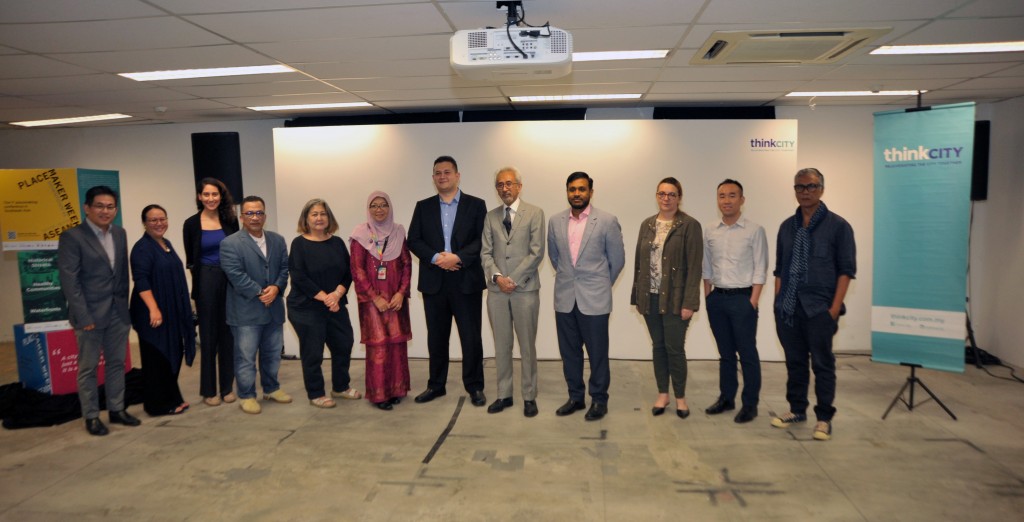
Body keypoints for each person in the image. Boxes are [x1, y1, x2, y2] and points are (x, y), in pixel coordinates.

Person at [772, 168, 856, 441]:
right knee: (795, 363)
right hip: (789, 309)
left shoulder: (839, 226)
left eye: (811, 186)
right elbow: (780, 270)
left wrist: (833, 310)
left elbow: (846, 271)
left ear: (822, 189)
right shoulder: (787, 226)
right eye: (800, 187)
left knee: (822, 364)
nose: (805, 192)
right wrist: (778, 302)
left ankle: (823, 418)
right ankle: (797, 409)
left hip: (820, 309)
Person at [57, 185, 140, 436]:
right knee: (88, 367)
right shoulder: (72, 237)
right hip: (89, 316)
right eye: (100, 206)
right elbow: (70, 281)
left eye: (110, 206)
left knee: (117, 364)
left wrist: (126, 311)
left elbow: (122, 276)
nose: (106, 211)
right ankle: (91, 416)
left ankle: (116, 409)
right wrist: (83, 316)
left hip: (117, 313)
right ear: (87, 208)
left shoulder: (119, 233)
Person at [407, 156, 488, 407]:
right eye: (438, 173)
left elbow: (482, 239)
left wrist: (458, 258)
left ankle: (475, 386)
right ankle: (436, 385)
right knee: (437, 337)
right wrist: (435, 258)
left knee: (471, 337)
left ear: (457, 175)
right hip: (435, 282)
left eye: (447, 172)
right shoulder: (423, 206)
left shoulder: (476, 205)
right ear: (433, 178)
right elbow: (414, 239)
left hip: (466, 281)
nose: (442, 176)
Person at [548, 172, 625, 421]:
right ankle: (575, 397)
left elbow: (617, 261)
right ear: (567, 192)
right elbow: (555, 257)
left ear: (591, 192)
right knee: (569, 352)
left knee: (597, 353)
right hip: (565, 297)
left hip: (595, 299)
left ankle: (599, 400)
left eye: (582, 189)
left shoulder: (606, 220)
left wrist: (601, 284)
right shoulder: (555, 221)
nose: (577, 194)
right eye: (572, 189)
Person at [630, 177, 702, 420]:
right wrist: (637, 296)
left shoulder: (689, 226)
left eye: (672, 194)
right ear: (657, 196)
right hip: (649, 297)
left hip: (675, 299)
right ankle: (663, 394)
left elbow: (695, 267)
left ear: (679, 197)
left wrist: (689, 303)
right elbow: (639, 264)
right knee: (658, 347)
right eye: (662, 193)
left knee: (675, 348)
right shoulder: (647, 225)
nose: (666, 198)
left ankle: (680, 397)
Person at [481, 167, 545, 417]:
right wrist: (498, 278)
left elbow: (537, 251)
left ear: (519, 186)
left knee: (527, 346)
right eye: (500, 185)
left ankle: (529, 396)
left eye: (509, 183)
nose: (505, 188)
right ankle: (504, 394)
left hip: (525, 290)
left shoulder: (535, 213)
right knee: (502, 345)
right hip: (497, 292)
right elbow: (485, 253)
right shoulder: (490, 217)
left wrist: (513, 280)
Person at [702, 179, 768, 424]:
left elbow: (761, 268)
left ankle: (750, 404)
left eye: (732, 195)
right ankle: (726, 398)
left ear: (742, 200)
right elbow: (706, 266)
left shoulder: (754, 230)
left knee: (747, 354)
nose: (726, 200)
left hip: (743, 300)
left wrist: (752, 301)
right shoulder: (710, 230)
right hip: (717, 299)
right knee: (726, 354)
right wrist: (707, 296)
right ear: (717, 199)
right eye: (722, 196)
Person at [286, 199, 360, 409]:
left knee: (343, 343)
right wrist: (326, 297)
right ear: (306, 219)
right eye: (314, 214)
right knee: (313, 352)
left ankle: (340, 387)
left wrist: (336, 294)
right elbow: (298, 276)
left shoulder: (336, 243)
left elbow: (348, 272)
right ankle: (316, 393)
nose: (319, 218)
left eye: (323, 214)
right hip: (305, 307)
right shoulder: (299, 244)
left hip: (334, 304)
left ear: (329, 218)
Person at [220, 195, 291, 414]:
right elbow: (235, 275)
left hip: (274, 310)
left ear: (265, 216)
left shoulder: (277, 240)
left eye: (259, 212)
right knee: (245, 357)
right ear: (242, 217)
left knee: (271, 354)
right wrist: (261, 292)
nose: (255, 217)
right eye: (249, 213)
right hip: (246, 312)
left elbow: (284, 269)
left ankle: (271, 388)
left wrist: (277, 288)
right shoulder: (229, 243)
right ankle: (247, 395)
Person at [130, 204, 196, 416]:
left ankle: (172, 398)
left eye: (162, 219)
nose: (159, 223)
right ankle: (157, 405)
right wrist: (154, 309)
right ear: (145, 223)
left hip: (171, 312)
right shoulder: (142, 248)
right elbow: (141, 280)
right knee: (157, 358)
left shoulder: (165, 243)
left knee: (172, 354)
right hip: (152, 313)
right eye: (153, 220)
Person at [350, 191, 413, 411]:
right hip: (372, 302)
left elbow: (406, 264)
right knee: (378, 347)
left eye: (383, 205)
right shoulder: (360, 235)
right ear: (368, 209)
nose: (379, 209)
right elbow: (357, 270)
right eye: (374, 206)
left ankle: (397, 389)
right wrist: (374, 298)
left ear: (390, 207)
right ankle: (379, 395)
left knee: (396, 345)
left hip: (395, 299)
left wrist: (401, 293)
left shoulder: (398, 232)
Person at [182, 178, 239, 407]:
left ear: (220, 196)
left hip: (229, 279)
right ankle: (209, 390)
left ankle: (227, 388)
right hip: (205, 278)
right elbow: (190, 259)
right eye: (206, 194)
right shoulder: (191, 223)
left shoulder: (230, 220)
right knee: (208, 336)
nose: (211, 198)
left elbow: (237, 251)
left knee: (228, 336)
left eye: (215, 194)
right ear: (199, 197)